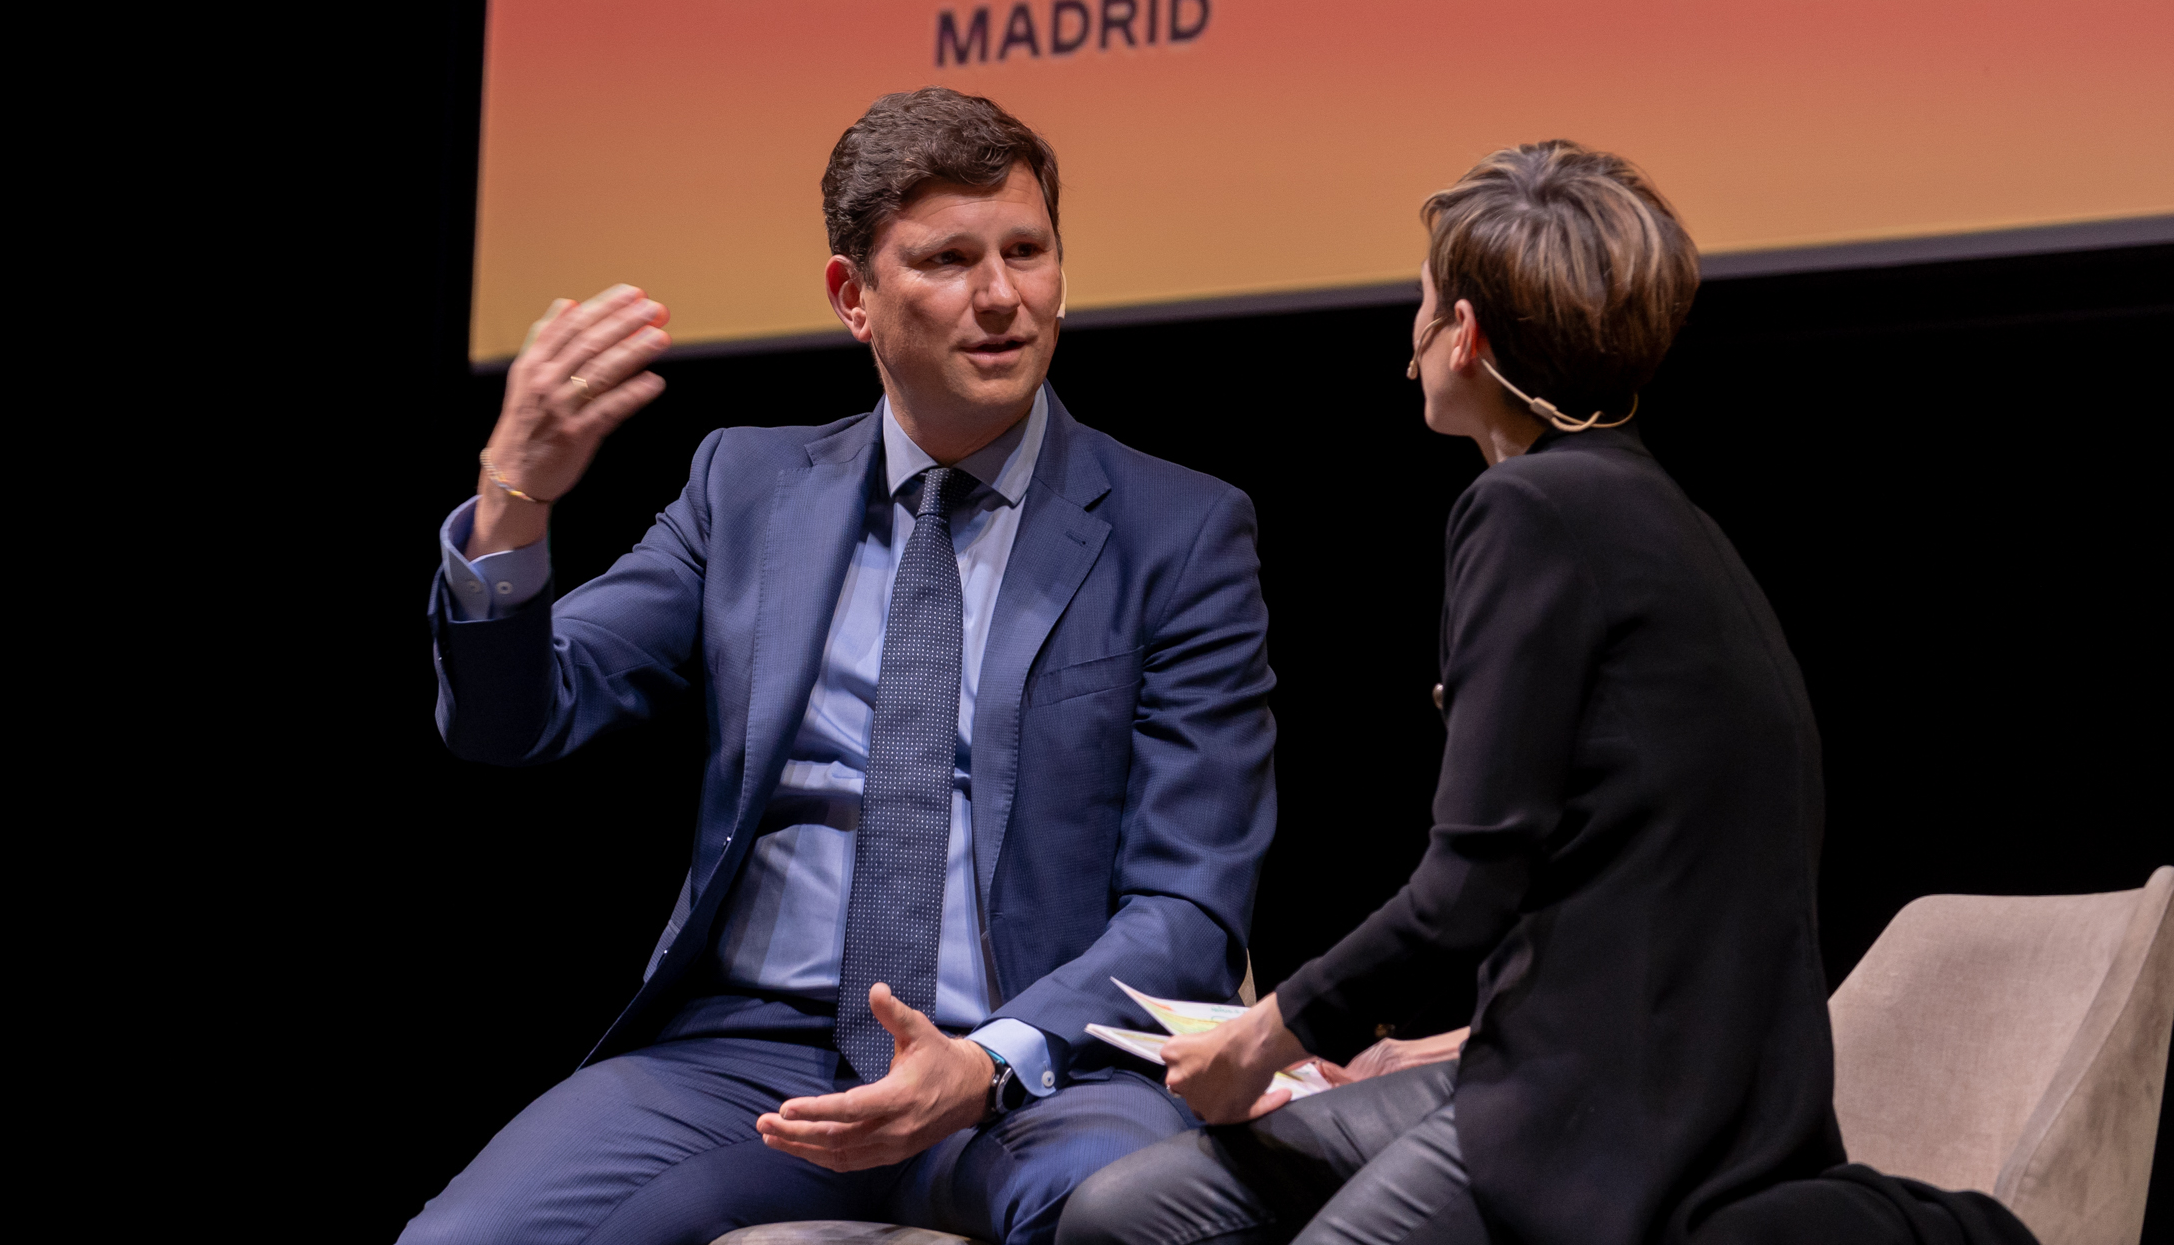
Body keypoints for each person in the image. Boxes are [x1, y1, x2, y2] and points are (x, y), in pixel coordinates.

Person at [403, 89, 1279, 1245]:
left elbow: (1189, 905)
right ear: (851, 295)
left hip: (1038, 1069)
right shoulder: (746, 489)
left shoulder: (1179, 532)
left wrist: (986, 1059)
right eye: (950, 259)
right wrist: (512, 499)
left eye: (1026, 250)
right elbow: (514, 716)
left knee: (1154, 1217)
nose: (1002, 295)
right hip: (752, 1060)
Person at [1060, 141, 1845, 1245]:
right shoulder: (1646, 512)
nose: (1412, 339)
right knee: (1120, 1211)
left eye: (1423, 305)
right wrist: (1426, 1044)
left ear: (1463, 333)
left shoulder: (1531, 512)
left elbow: (1467, 884)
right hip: (1569, 1059)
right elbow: (1606, 883)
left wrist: (1260, 1038)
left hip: (1619, 1113)